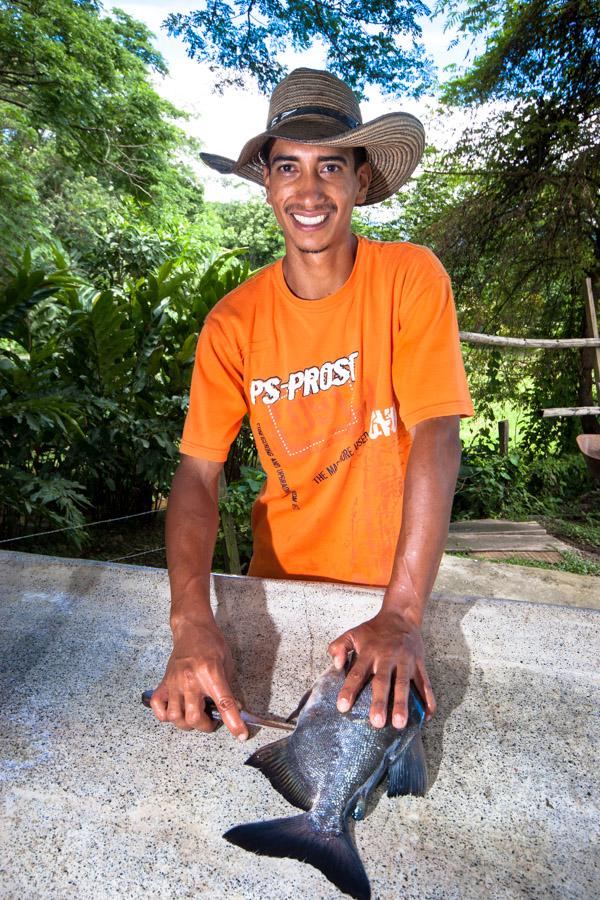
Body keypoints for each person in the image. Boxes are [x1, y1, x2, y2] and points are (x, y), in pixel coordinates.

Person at [150, 68, 474, 741]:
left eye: (331, 166)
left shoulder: (411, 278)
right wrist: (192, 621)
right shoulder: (232, 323)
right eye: (289, 167)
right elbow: (196, 475)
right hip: (281, 587)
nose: (309, 189)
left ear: (360, 181)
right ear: (267, 183)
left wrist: (403, 614)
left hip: (392, 596)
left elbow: (437, 434)